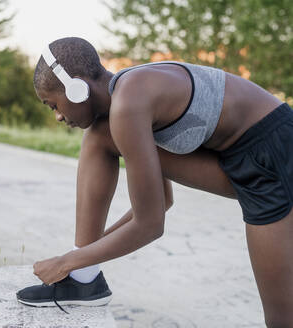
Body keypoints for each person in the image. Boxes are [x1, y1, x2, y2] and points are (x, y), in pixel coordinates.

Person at [15, 37, 293, 326]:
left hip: (277, 156)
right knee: (100, 135)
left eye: (53, 106)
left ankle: (81, 272)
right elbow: (162, 202)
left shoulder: (130, 101)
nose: (58, 116)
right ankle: (84, 282)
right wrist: (81, 259)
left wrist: (66, 262)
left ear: (76, 87)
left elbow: (150, 224)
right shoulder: (122, 100)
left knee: (281, 319)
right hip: (236, 158)